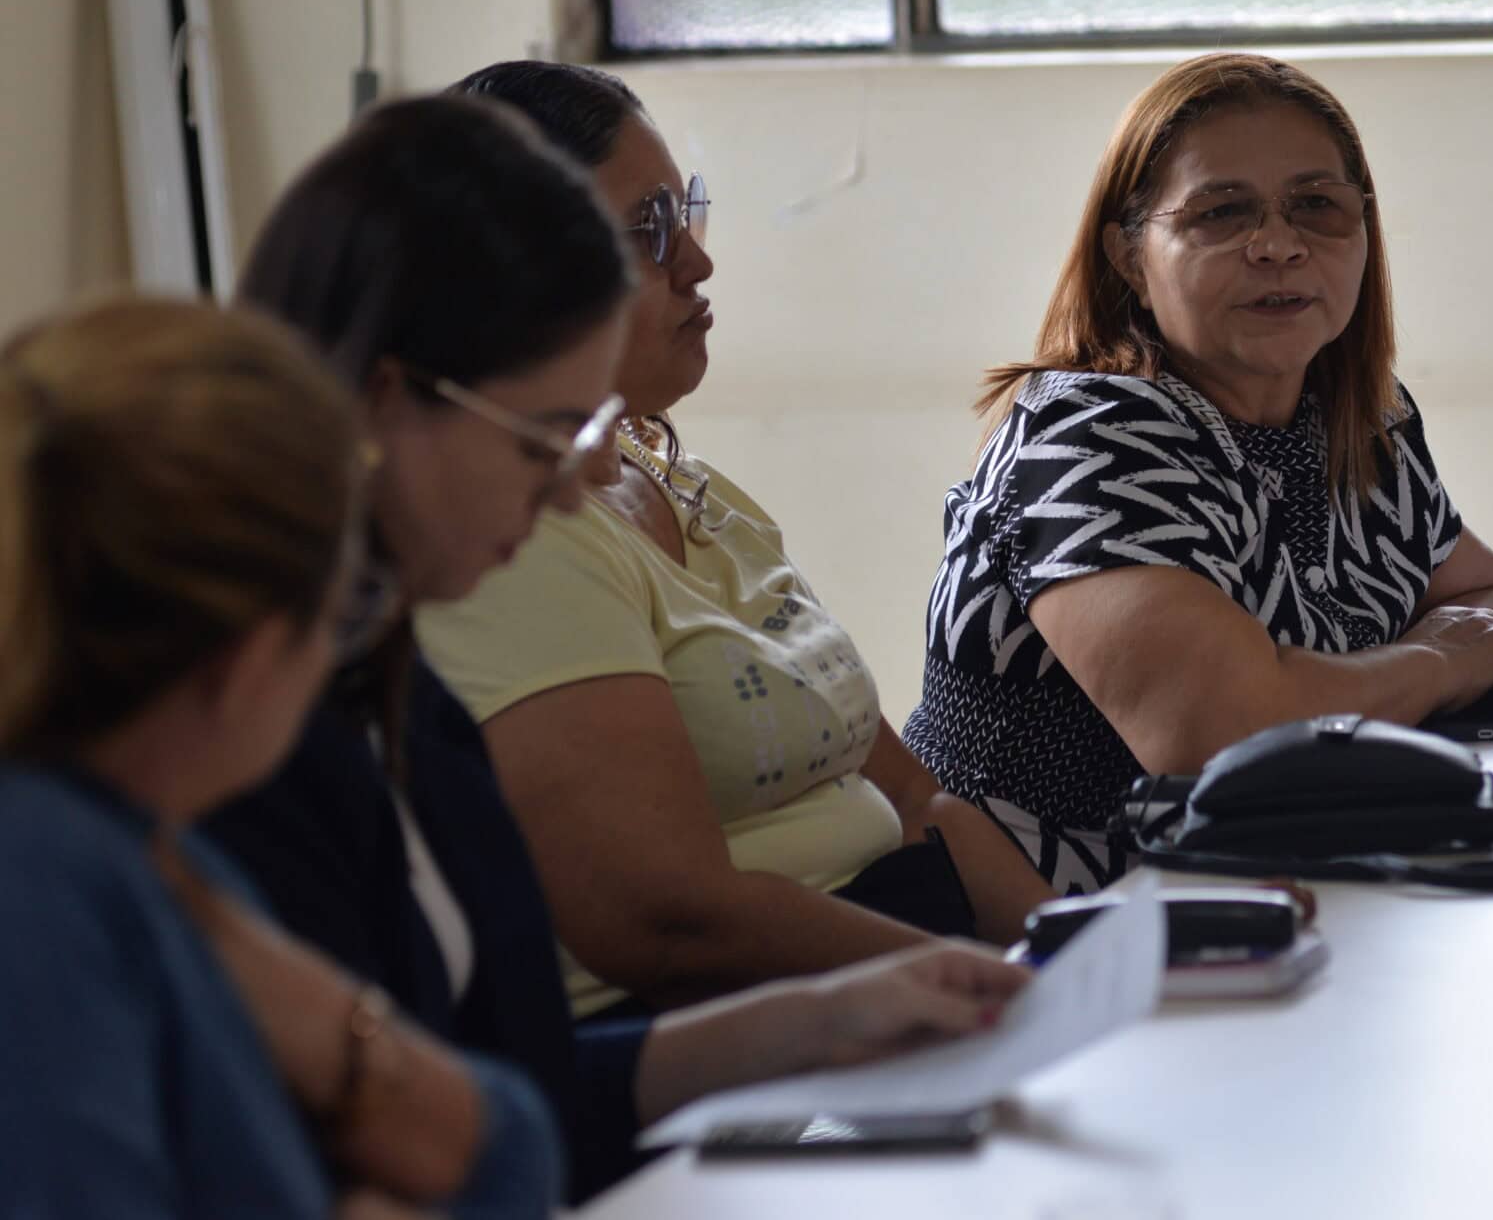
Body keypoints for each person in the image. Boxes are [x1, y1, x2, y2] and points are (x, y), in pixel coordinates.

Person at [208, 97, 1025, 1202]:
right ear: (385, 405)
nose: (590, 476)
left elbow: (514, 1090)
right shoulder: (231, 765)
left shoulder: (407, 705)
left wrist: (829, 1015)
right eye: (553, 431)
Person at [415, 63, 1055, 1023]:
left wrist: (1074, 947)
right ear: (515, 272)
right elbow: (668, 921)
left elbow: (918, 797)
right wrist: (984, 993)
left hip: (893, 963)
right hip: (740, 1022)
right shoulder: (519, 540)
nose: (697, 264)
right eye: (647, 231)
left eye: (689, 215)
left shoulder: (690, 485)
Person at [905, 52, 1493, 892]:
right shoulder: (1088, 431)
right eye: (1221, 213)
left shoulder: (1354, 412)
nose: (1278, 246)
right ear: (1128, 255)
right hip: (1045, 929)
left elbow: (1487, 600)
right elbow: (1226, 730)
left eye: (1318, 207)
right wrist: (1440, 668)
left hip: (1285, 894)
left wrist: (1392, 673)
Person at [0, 297, 559, 1219]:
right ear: (256, 656)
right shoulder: (46, 882)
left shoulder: (153, 856)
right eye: (349, 607)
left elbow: (513, 1153)